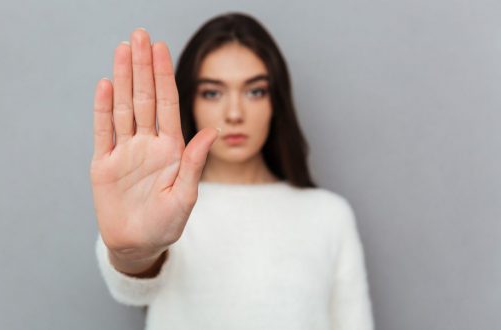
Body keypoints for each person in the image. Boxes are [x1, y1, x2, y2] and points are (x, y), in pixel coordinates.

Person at [90, 12, 374, 330]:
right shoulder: (161, 204)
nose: (235, 113)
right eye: (212, 92)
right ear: (191, 102)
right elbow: (131, 287)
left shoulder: (328, 215)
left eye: (255, 91)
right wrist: (133, 254)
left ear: (275, 102)